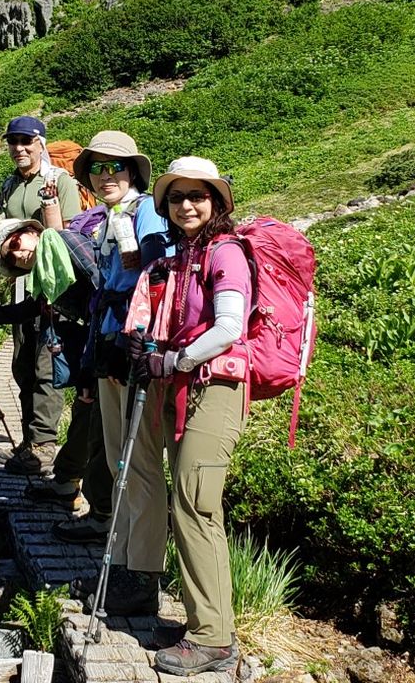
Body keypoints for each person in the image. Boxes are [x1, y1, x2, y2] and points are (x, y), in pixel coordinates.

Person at [129, 156, 250, 678]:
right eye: (177, 197)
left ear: (216, 202)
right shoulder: (184, 256)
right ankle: (206, 625)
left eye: (198, 196)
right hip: (186, 388)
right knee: (187, 501)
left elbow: (229, 326)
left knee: (197, 505)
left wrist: (175, 360)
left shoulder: (226, 253)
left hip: (215, 386)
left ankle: (213, 639)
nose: (186, 205)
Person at [0, 217, 112, 521]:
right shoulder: (46, 275)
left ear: (33, 232)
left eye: (16, 243)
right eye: (10, 256)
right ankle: (64, 484)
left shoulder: (65, 243)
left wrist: (95, 363)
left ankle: (102, 518)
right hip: (95, 349)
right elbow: (22, 311)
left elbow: (105, 293)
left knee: (100, 431)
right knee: (85, 421)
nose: (18, 255)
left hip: (112, 343)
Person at [63, 130, 170, 611]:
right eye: (98, 168)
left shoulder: (145, 210)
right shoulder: (110, 217)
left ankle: (141, 575)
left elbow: (156, 271)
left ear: (134, 172)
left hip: (134, 348)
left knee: (138, 466)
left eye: (116, 167)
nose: (106, 176)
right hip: (110, 346)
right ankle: (123, 562)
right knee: (116, 461)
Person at [0, 116, 82, 476]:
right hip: (20, 287)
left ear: (41, 141)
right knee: (22, 362)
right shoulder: (9, 185)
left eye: (26, 141)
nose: (19, 148)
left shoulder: (60, 182)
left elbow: (68, 236)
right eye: (13, 141)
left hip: (52, 287)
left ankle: (43, 446)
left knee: (46, 365)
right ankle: (30, 442)